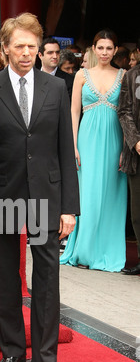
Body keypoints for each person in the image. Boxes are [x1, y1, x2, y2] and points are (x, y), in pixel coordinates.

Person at [0, 13, 79, 362]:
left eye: (32, 47)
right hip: (4, 194)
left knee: (48, 278)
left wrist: (70, 206)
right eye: (19, 46)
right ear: (6, 48)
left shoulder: (56, 89)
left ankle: (46, 359)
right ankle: (12, 352)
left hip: (48, 195)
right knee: (8, 276)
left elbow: (64, 150)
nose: (26, 53)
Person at [60, 29, 127, 272]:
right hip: (86, 140)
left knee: (111, 196)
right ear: (93, 49)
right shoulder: (80, 75)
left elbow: (127, 114)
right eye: (101, 47)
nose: (105, 52)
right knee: (86, 196)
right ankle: (84, 251)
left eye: (109, 48)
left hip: (115, 140)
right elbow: (73, 112)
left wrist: (125, 150)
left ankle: (107, 252)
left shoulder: (124, 75)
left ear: (116, 50)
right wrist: (73, 145)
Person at [118, 40, 140, 275]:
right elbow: (123, 110)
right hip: (137, 153)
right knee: (138, 212)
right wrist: (135, 141)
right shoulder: (131, 76)